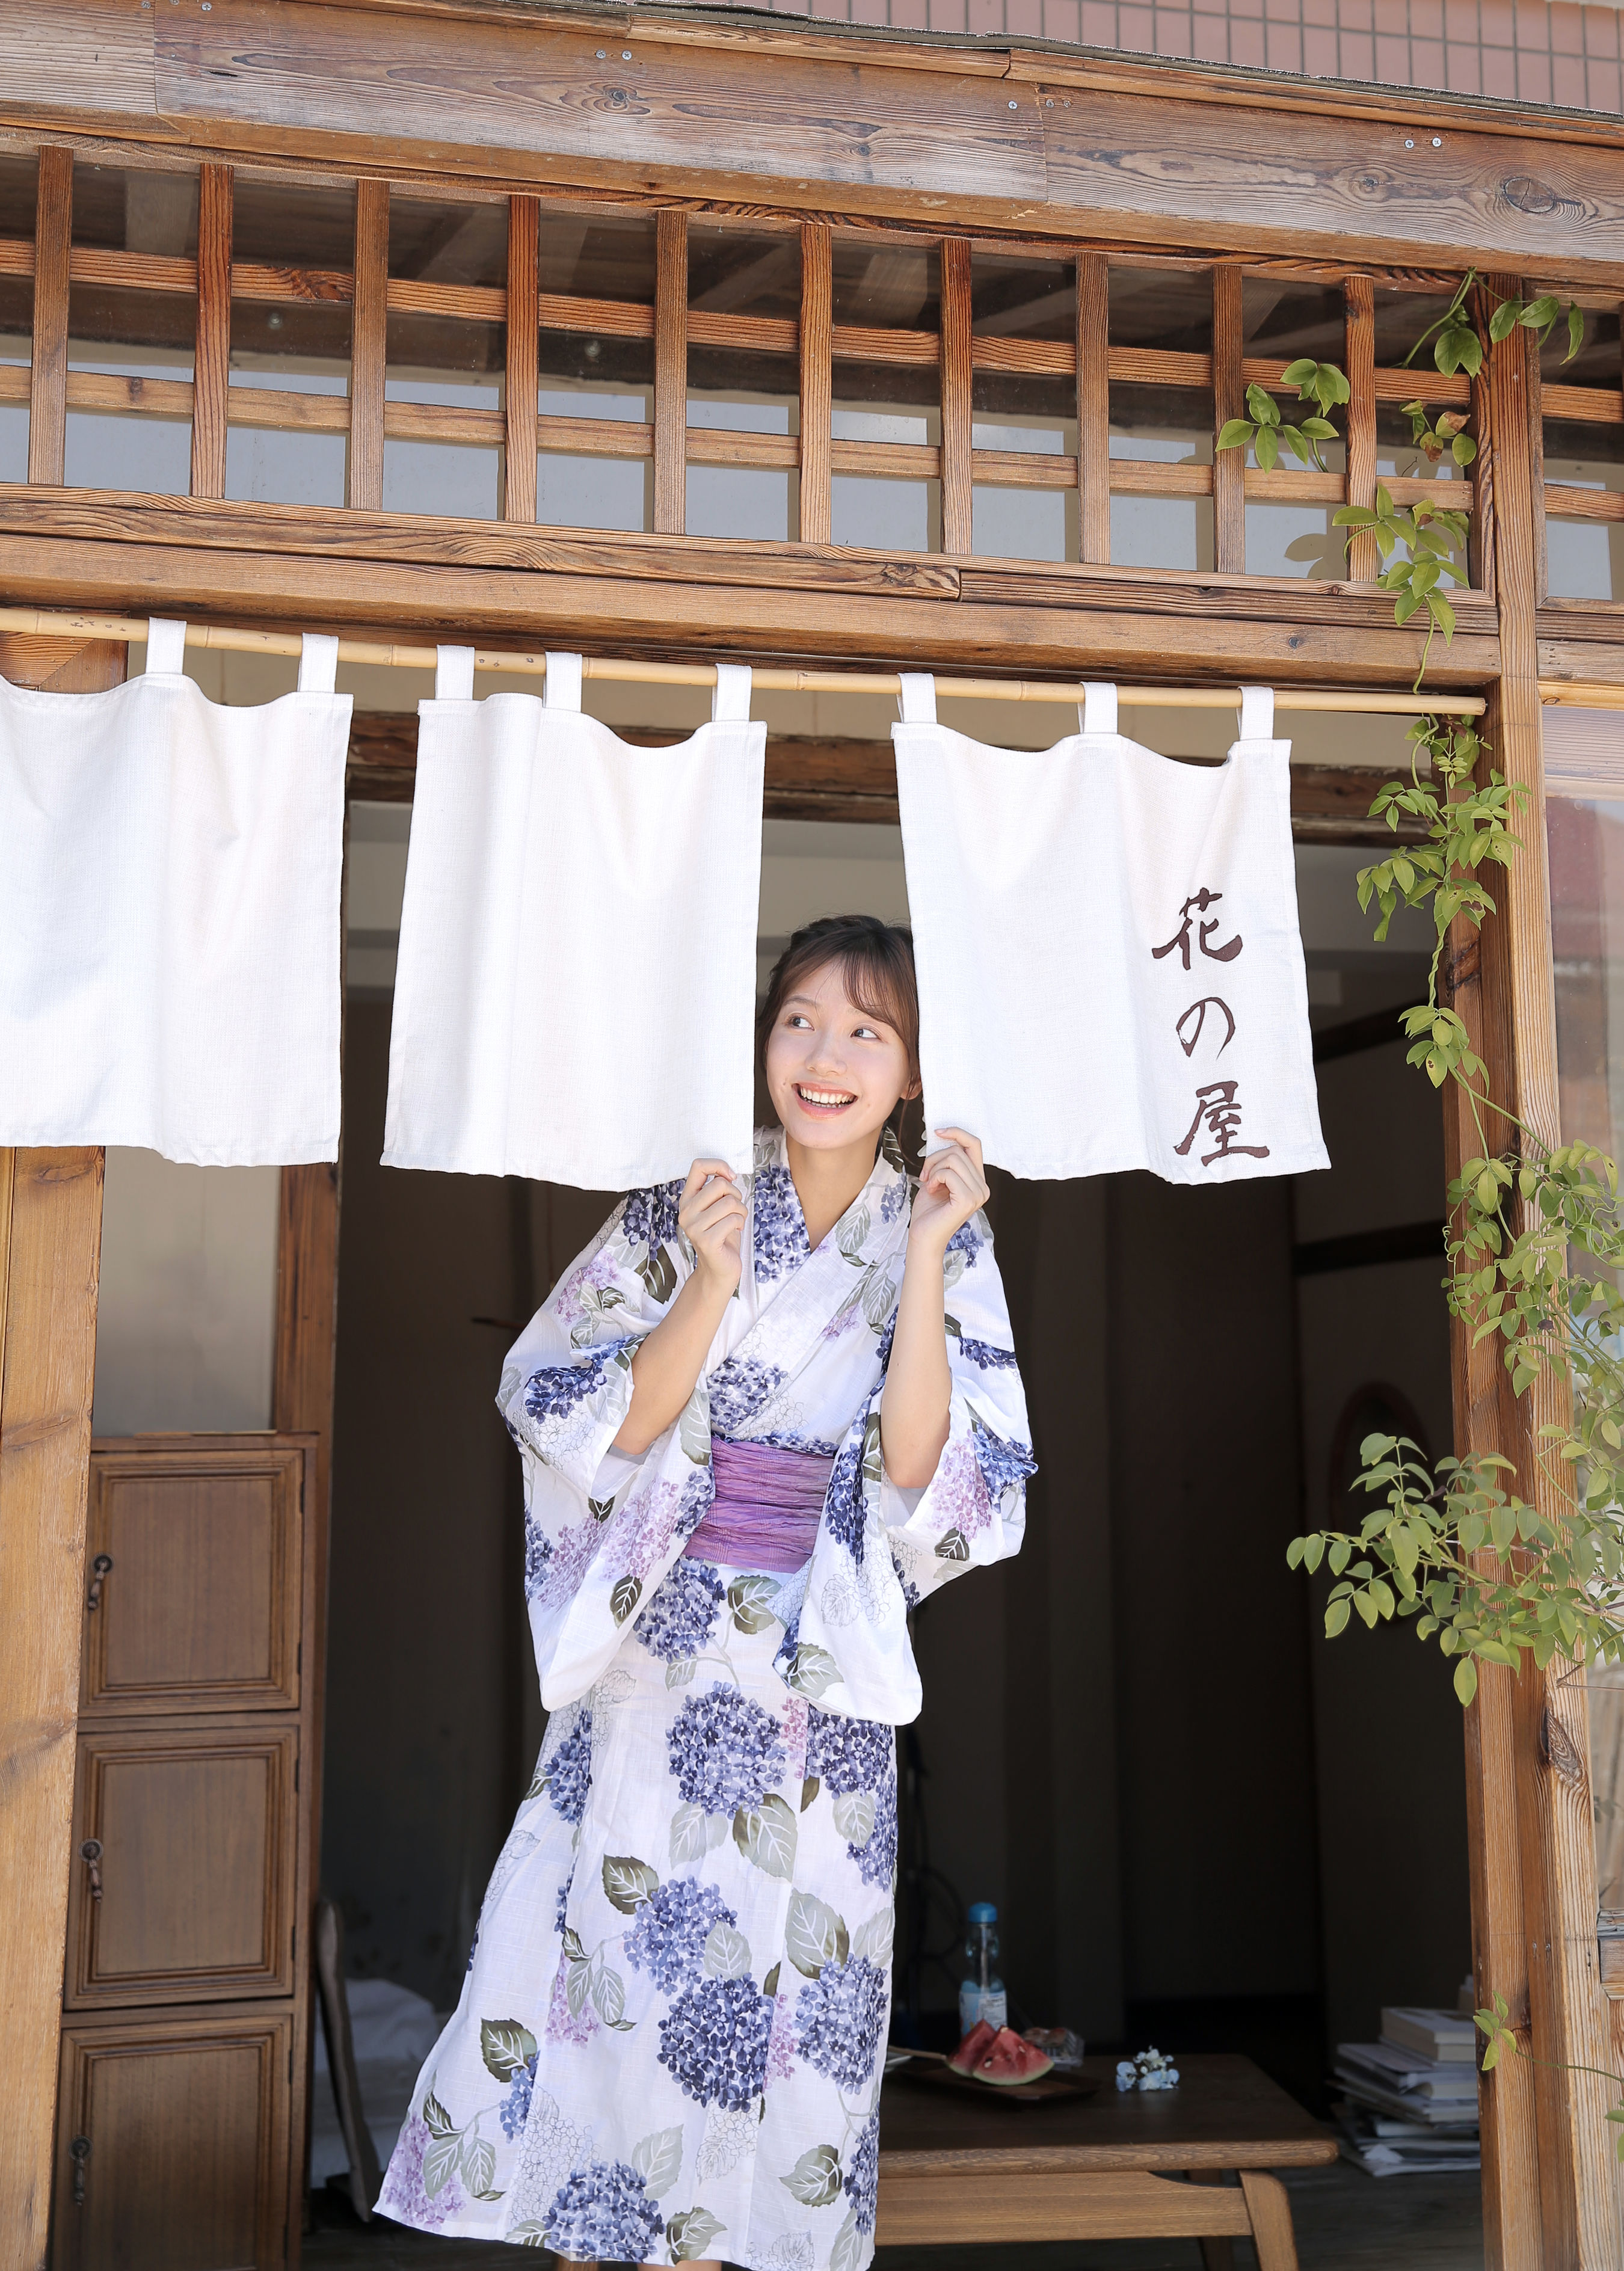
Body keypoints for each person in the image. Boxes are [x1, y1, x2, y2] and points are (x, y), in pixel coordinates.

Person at [380, 913, 1033, 2267]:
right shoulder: (688, 1203)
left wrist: (922, 1255)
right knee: (608, 2007)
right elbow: (573, 1413)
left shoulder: (947, 1234)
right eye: (801, 1019)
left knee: (789, 2023)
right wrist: (714, 1279)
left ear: (912, 1071)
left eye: (868, 1031)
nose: (827, 1053)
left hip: (821, 1688)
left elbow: (928, 1470)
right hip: (660, 1665)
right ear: (763, 1038)